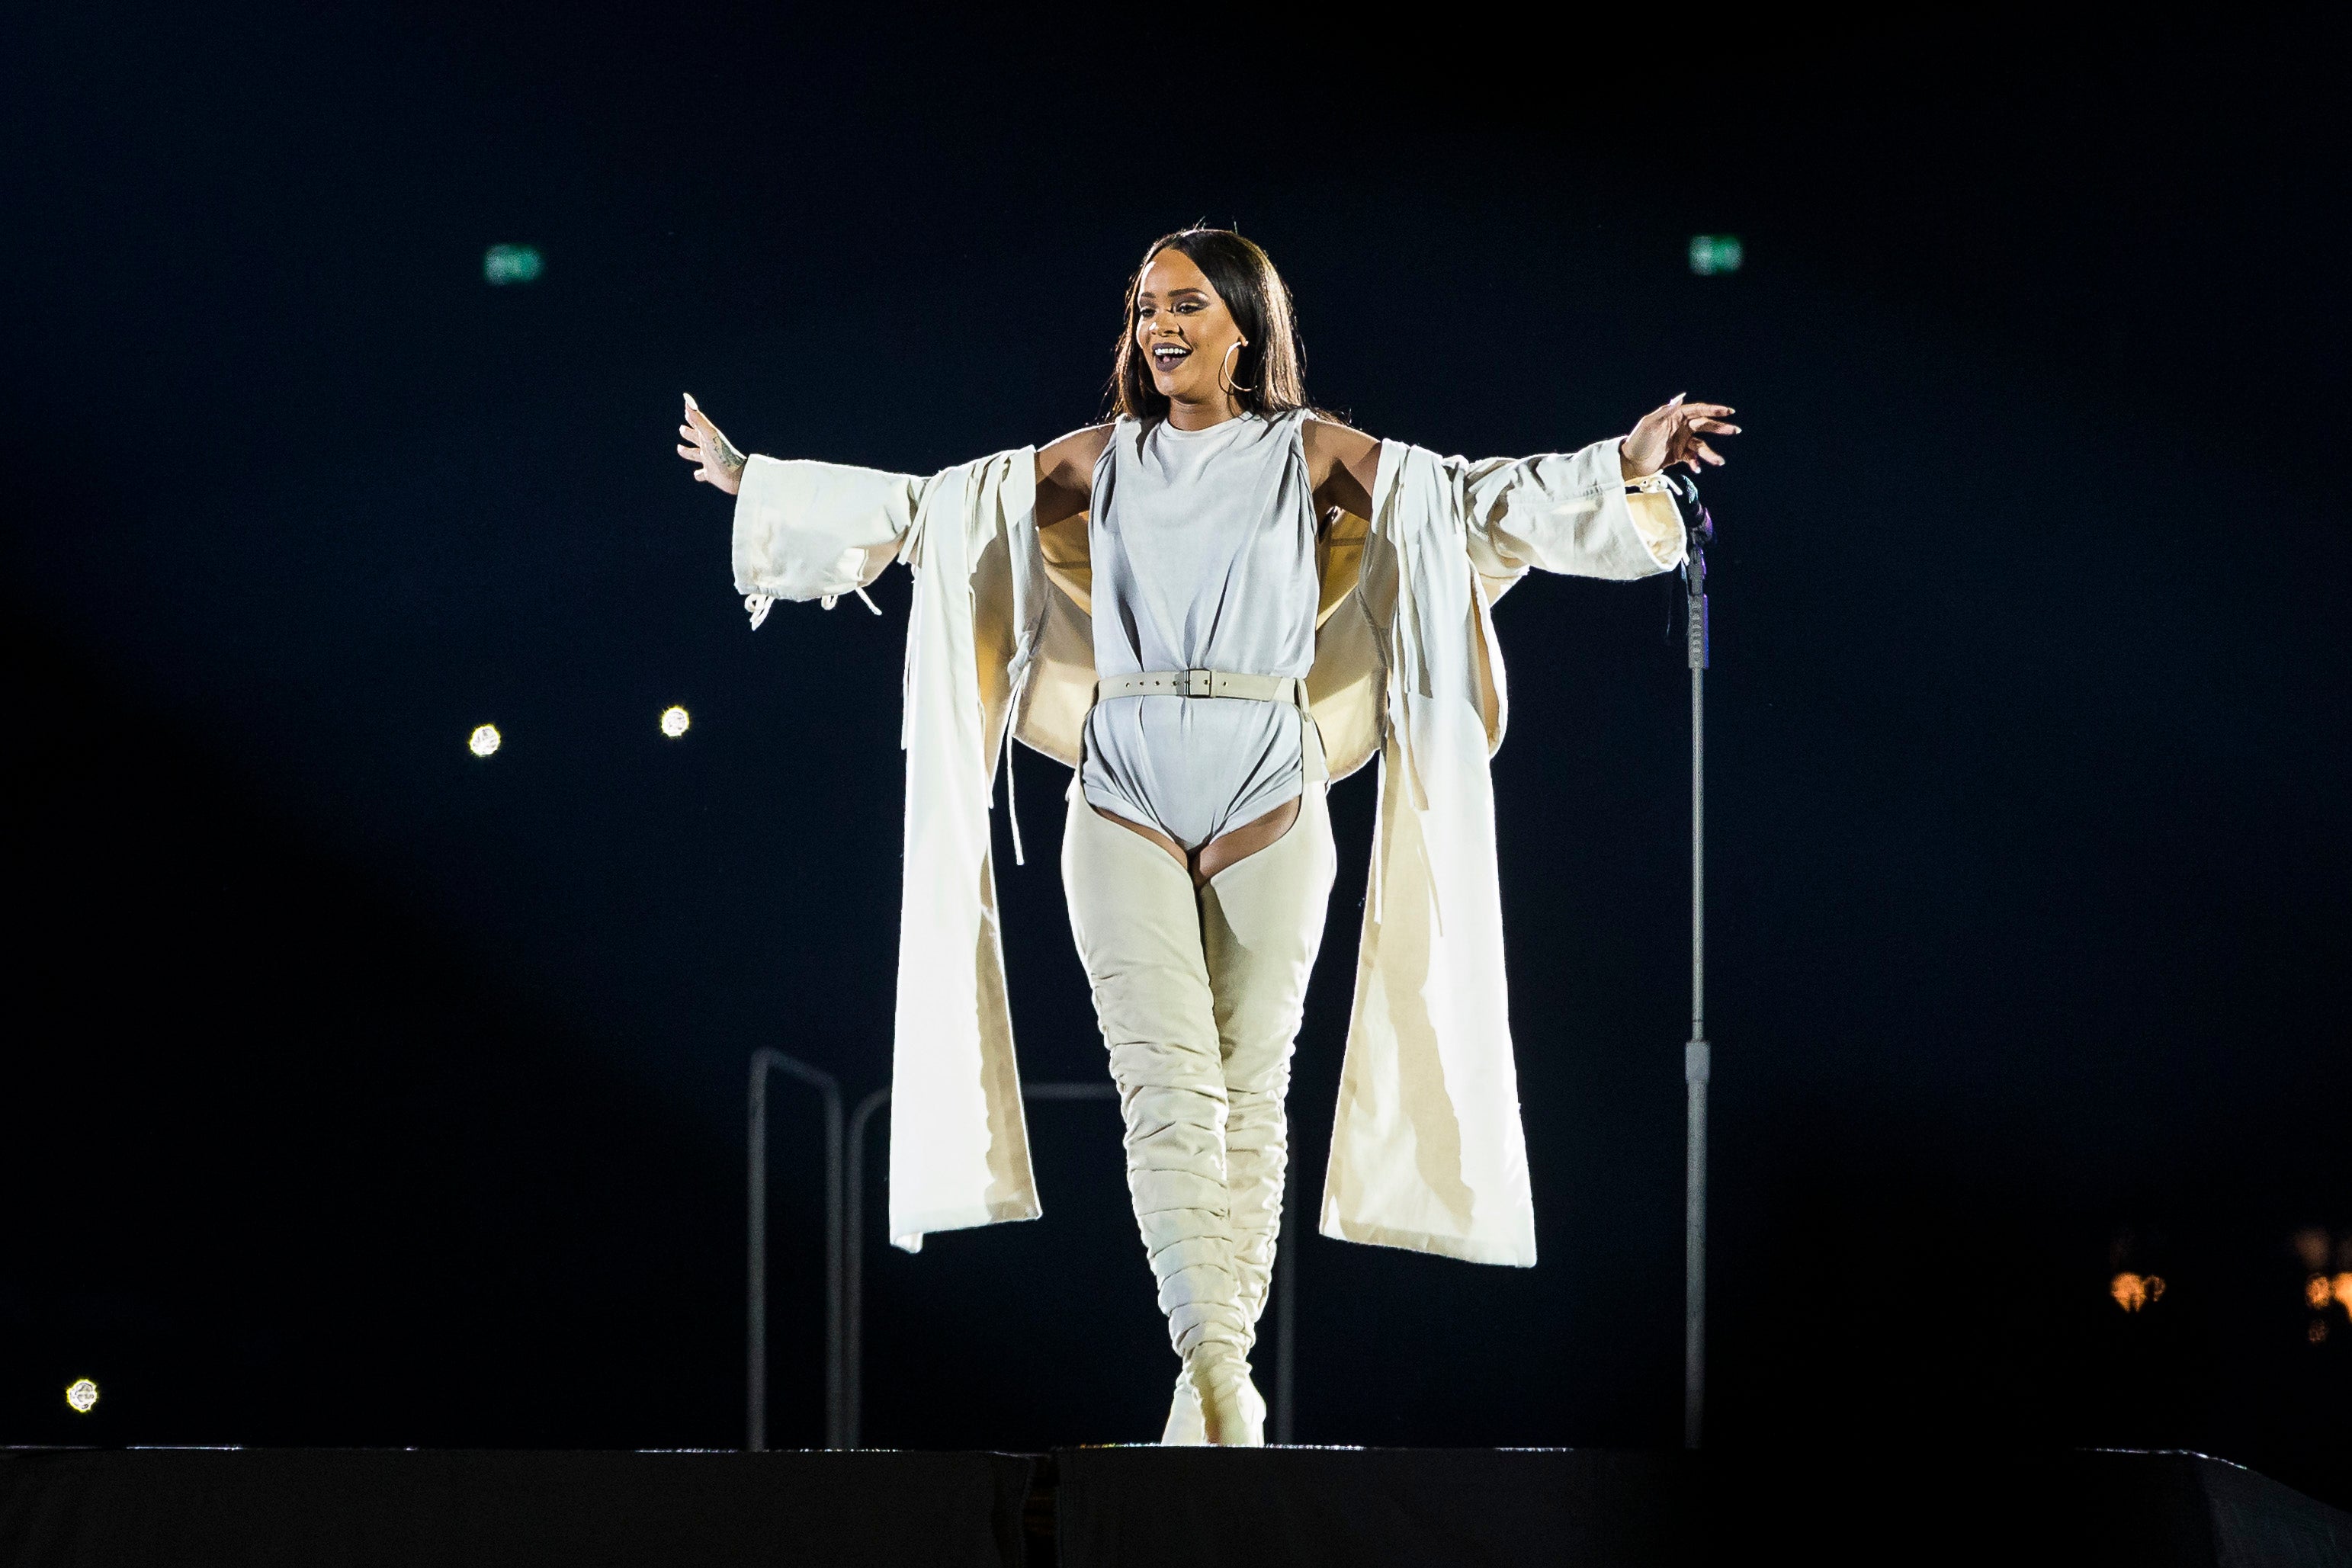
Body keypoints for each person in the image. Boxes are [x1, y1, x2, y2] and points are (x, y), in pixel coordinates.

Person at [676, 228, 1737, 1445]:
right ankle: (1218, 1370)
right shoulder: (1101, 459)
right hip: (1122, 785)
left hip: (1266, 783)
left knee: (1248, 1092)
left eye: (1183, 304)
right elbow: (935, 511)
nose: (1158, 327)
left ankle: (1212, 1372)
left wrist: (1622, 462)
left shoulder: (1306, 450)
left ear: (1243, 324)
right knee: (1165, 1092)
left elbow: (1464, 498)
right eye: (1143, 308)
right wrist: (762, 484)